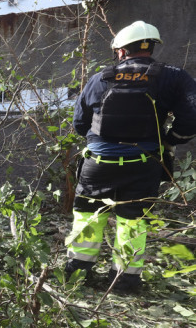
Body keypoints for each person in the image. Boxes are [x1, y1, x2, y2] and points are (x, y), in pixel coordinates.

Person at [65, 21, 196, 294]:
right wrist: (171, 140)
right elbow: (191, 118)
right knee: (132, 223)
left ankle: (76, 277)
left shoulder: (100, 78)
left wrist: (98, 140)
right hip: (144, 166)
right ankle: (123, 283)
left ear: (121, 51)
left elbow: (79, 124)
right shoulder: (173, 77)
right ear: (151, 48)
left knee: (88, 218)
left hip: (98, 165)